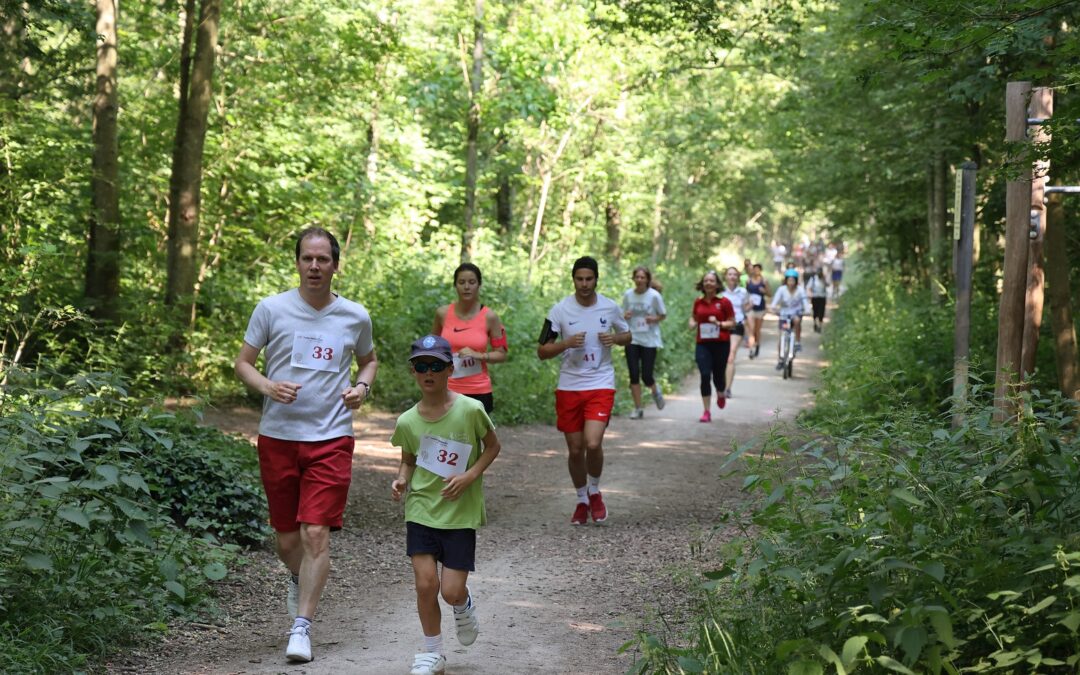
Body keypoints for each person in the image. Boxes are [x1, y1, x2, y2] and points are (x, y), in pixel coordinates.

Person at [234, 227, 378, 664]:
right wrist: (268, 386)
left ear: (336, 265)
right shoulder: (272, 309)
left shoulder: (354, 315)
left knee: (316, 531)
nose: (315, 266)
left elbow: (369, 360)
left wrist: (362, 388)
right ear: (297, 263)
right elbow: (243, 363)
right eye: (307, 259)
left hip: (332, 436)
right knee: (286, 540)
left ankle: (302, 627)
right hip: (279, 438)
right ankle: (302, 581)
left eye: (323, 259)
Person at [390, 335, 501, 675]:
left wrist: (469, 477)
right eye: (422, 366)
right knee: (425, 584)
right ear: (413, 372)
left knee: (450, 592)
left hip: (459, 513)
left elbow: (493, 447)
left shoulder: (471, 409)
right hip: (422, 508)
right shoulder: (408, 420)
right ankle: (432, 652)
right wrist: (401, 478)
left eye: (436, 366)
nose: (429, 372)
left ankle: (462, 604)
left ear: (449, 370)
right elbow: (408, 459)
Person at [537, 256, 631, 525]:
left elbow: (628, 335)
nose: (584, 284)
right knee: (576, 449)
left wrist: (615, 338)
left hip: (600, 383)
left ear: (596, 279)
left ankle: (595, 490)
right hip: (569, 386)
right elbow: (542, 350)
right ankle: (581, 499)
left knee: (593, 442)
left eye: (589, 279)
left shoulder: (609, 307)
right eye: (580, 279)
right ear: (573, 280)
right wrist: (565, 343)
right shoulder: (560, 310)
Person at [432, 263, 508, 414]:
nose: (467, 287)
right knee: (445, 436)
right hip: (446, 388)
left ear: (479, 285)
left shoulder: (490, 317)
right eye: (462, 282)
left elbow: (502, 354)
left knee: (473, 437)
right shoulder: (442, 314)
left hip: (478, 390)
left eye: (472, 282)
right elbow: (431, 347)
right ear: (455, 285)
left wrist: (478, 355)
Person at [689, 270, 735, 423]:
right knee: (704, 374)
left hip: (721, 343)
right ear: (702, 284)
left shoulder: (724, 302)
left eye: (711, 281)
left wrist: (719, 323)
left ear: (717, 284)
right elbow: (694, 317)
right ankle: (706, 411)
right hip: (703, 344)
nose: (708, 283)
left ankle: (721, 392)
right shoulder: (698, 301)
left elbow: (732, 322)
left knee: (718, 375)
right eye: (706, 281)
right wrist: (692, 323)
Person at [621, 266, 667, 419]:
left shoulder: (654, 296)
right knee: (633, 374)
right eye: (637, 277)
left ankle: (655, 391)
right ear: (633, 279)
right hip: (632, 338)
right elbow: (623, 314)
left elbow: (662, 315)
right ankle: (638, 408)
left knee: (646, 376)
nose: (640, 280)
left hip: (649, 339)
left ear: (647, 279)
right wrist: (625, 315)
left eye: (643, 277)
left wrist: (653, 319)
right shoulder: (628, 295)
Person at [721, 266, 751, 399]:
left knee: (731, 355)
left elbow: (746, 307)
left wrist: (747, 311)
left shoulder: (743, 292)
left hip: (737, 325)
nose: (732, 276)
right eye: (729, 274)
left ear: (738, 277)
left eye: (734, 274)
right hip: (721, 326)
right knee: (721, 358)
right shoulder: (720, 292)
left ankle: (727, 388)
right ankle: (720, 383)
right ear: (725, 277)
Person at [771, 268, 808, 368]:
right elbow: (774, 302)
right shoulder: (781, 289)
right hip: (784, 315)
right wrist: (774, 309)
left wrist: (807, 310)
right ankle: (780, 359)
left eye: (793, 280)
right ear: (786, 280)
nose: (791, 283)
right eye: (789, 280)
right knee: (782, 336)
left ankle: (797, 342)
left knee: (797, 321)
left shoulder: (800, 290)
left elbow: (805, 302)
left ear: (796, 281)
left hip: (796, 314)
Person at [745, 263, 769, 359]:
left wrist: (764, 291)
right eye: (754, 269)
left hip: (760, 308)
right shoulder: (748, 281)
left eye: (758, 269)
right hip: (751, 308)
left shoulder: (764, 281)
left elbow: (770, 293)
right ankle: (751, 349)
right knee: (751, 329)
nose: (756, 271)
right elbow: (745, 293)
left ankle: (757, 346)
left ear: (760, 270)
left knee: (757, 330)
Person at [807, 268, 828, 333]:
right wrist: (810, 294)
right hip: (815, 297)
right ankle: (815, 323)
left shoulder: (824, 279)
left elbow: (828, 285)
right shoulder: (813, 279)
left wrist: (824, 280)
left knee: (821, 312)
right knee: (815, 311)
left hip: (822, 297)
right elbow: (809, 287)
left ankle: (820, 326)